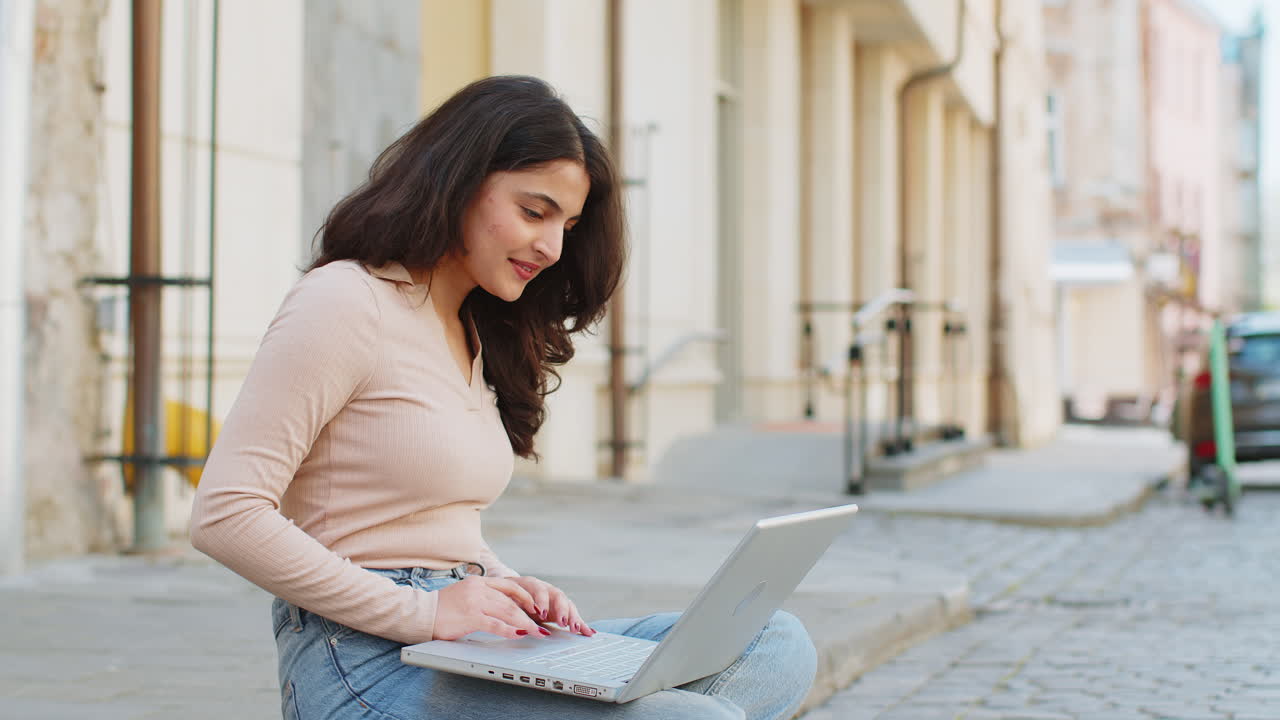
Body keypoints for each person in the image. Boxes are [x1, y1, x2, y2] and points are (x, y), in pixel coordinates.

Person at [190, 75, 816, 719]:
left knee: (775, 644)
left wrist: (502, 582)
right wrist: (425, 611)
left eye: (567, 224)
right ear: (458, 182)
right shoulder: (346, 301)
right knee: (691, 718)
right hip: (359, 668)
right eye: (533, 211)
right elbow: (225, 513)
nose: (552, 247)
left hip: (463, 636)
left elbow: (436, 522)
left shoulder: (470, 327)